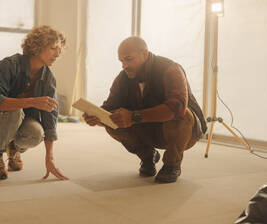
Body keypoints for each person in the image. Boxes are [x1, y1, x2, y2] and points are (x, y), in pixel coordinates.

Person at [83, 36, 207, 183]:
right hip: (147, 128)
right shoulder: (123, 78)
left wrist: (134, 116)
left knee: (183, 114)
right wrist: (98, 117)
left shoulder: (171, 69)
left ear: (145, 53)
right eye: (121, 61)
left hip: (184, 131)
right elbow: (109, 107)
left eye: (128, 59)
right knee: (113, 122)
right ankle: (148, 157)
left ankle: (172, 164)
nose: (124, 65)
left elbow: (177, 107)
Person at [0, 25, 69, 180]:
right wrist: (33, 101)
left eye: (59, 49)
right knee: (15, 109)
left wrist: (49, 159)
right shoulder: (8, 65)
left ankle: (14, 149)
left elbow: (50, 119)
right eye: (53, 48)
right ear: (37, 47)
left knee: (37, 133)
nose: (58, 54)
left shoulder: (48, 78)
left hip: (17, 121)